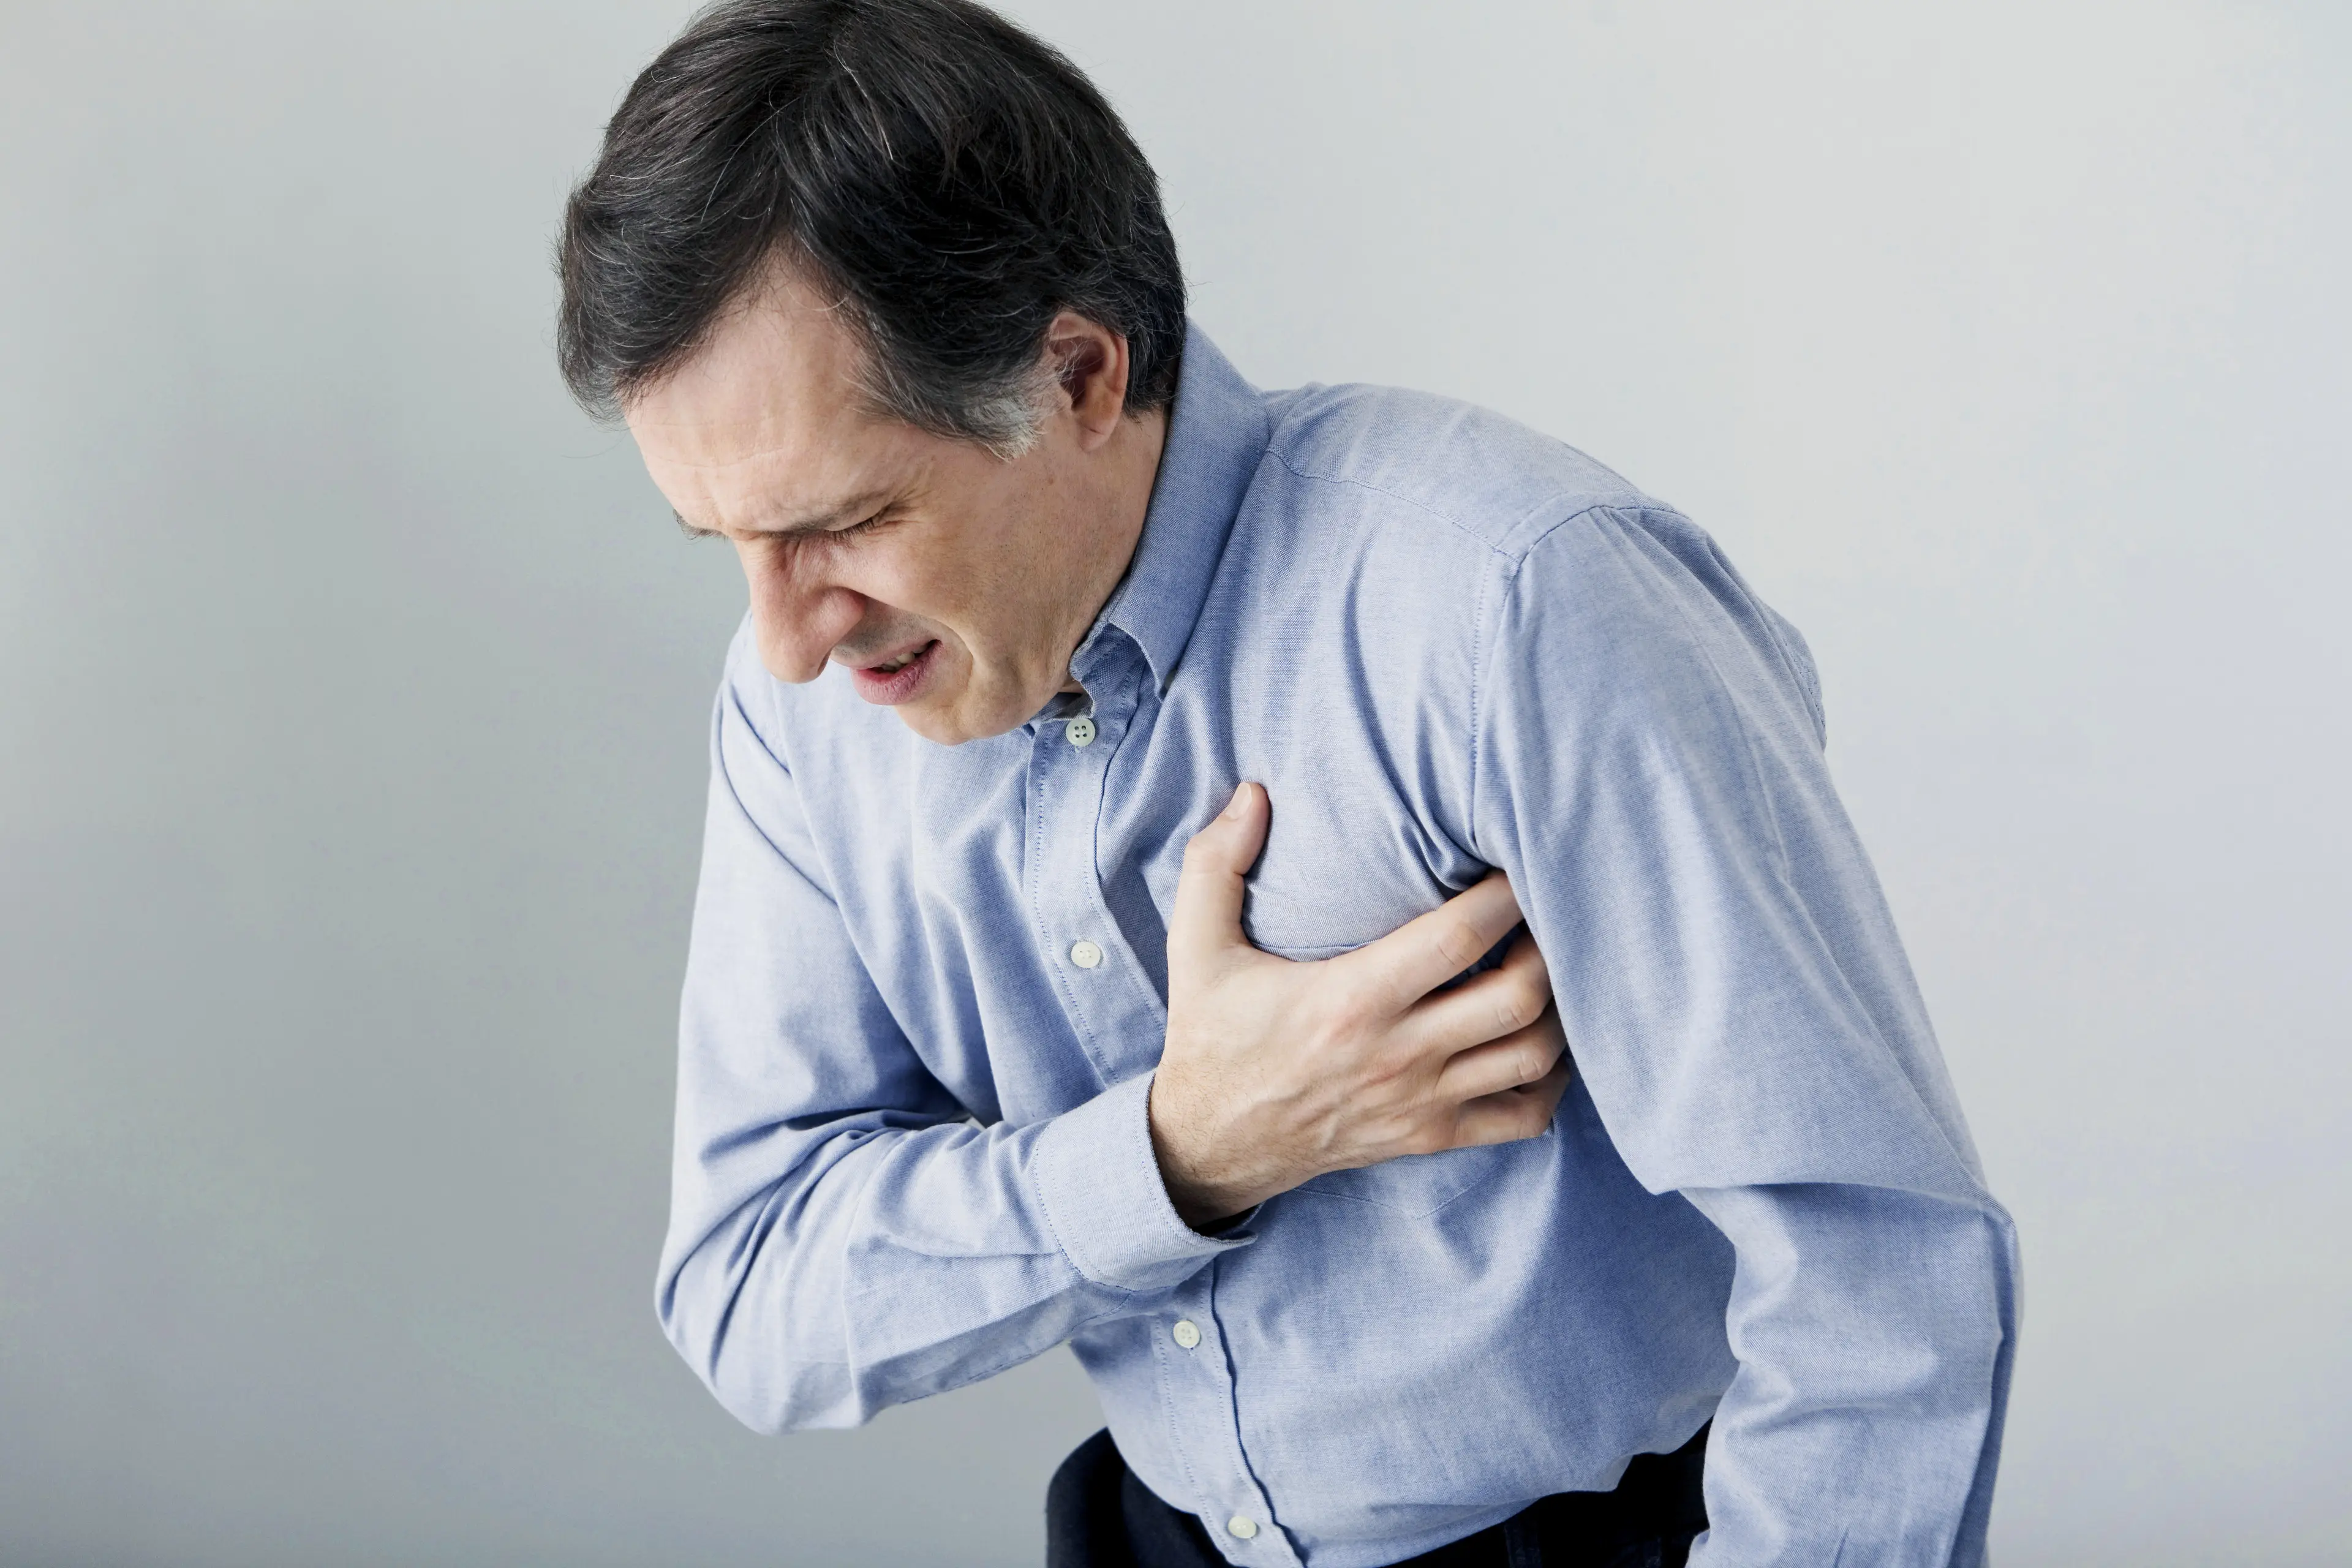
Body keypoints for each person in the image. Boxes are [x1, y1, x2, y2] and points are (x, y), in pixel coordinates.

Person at [556, 2, 2019, 1564]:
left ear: (1078, 374)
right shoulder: (807, 713)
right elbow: (752, 1289)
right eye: (729, 549)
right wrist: (1191, 1148)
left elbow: (1881, 1283)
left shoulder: (1514, 603)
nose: (781, 644)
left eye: (842, 519)